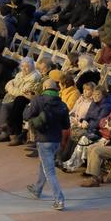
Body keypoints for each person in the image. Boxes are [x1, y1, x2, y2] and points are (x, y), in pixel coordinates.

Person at [25, 77, 70, 211]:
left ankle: (59, 199)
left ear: (44, 88)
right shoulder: (62, 104)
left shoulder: (38, 100)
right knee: (44, 164)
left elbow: (26, 115)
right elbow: (66, 125)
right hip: (56, 140)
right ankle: (37, 189)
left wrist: (30, 103)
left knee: (50, 171)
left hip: (44, 139)